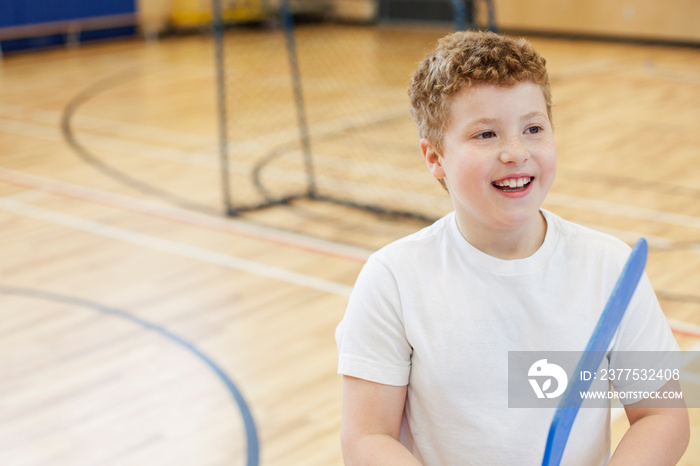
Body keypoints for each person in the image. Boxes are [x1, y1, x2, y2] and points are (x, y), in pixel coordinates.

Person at [335, 30, 689, 465]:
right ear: (434, 158)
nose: (515, 152)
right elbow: (367, 437)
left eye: (533, 128)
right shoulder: (392, 279)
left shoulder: (609, 266)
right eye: (485, 135)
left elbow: (662, 416)